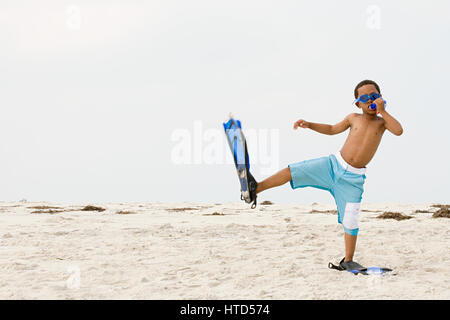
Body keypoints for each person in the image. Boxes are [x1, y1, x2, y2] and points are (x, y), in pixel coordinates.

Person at [250, 79, 403, 269]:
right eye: (365, 98)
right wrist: (309, 124)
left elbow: (399, 131)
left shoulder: (382, 123)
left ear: (381, 98)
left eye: (375, 96)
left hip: (353, 180)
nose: (371, 100)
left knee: (351, 218)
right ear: (358, 103)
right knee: (295, 170)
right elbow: (331, 129)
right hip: (332, 166)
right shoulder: (353, 118)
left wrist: (384, 111)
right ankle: (256, 188)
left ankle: (348, 260)